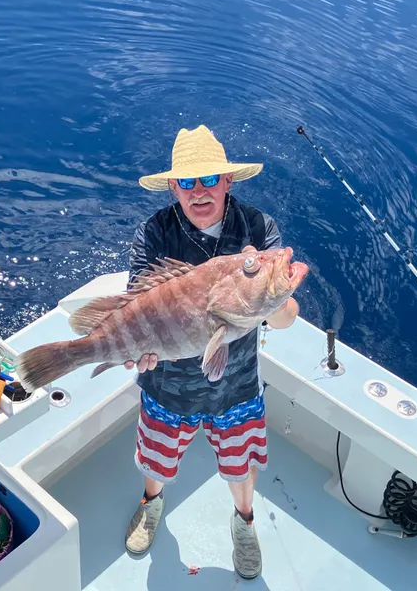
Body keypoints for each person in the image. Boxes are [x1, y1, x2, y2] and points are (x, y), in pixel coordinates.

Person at [123, 124, 299, 579]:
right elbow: (136, 306)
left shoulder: (259, 230)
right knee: (157, 458)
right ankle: (151, 503)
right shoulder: (154, 233)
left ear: (228, 181)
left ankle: (244, 523)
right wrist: (137, 350)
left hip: (236, 386)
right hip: (166, 384)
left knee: (241, 464)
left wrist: (275, 300)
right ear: (173, 189)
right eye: (187, 182)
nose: (198, 191)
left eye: (208, 180)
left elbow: (283, 317)